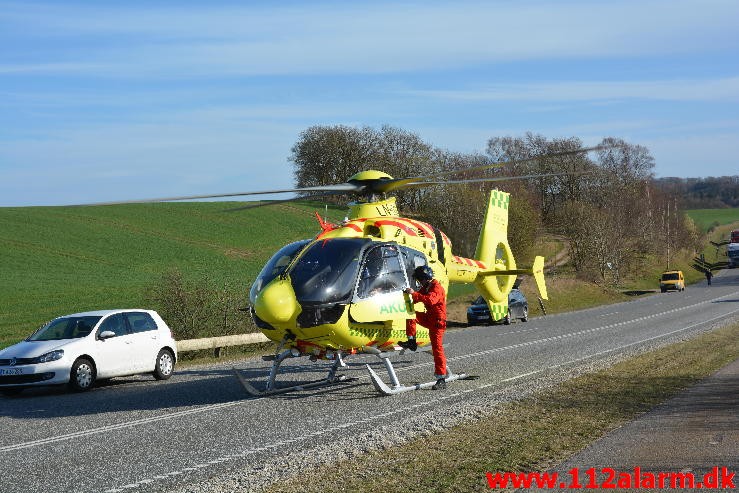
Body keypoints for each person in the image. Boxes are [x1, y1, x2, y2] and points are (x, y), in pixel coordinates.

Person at [399, 265, 448, 390]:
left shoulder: (436, 287)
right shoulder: (427, 287)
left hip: (437, 323)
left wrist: (414, 293)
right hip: (429, 318)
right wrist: (406, 294)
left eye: (419, 280)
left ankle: (441, 378)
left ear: (424, 278)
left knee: (437, 349)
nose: (419, 283)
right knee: (411, 314)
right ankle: (411, 341)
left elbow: (430, 300)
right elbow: (416, 298)